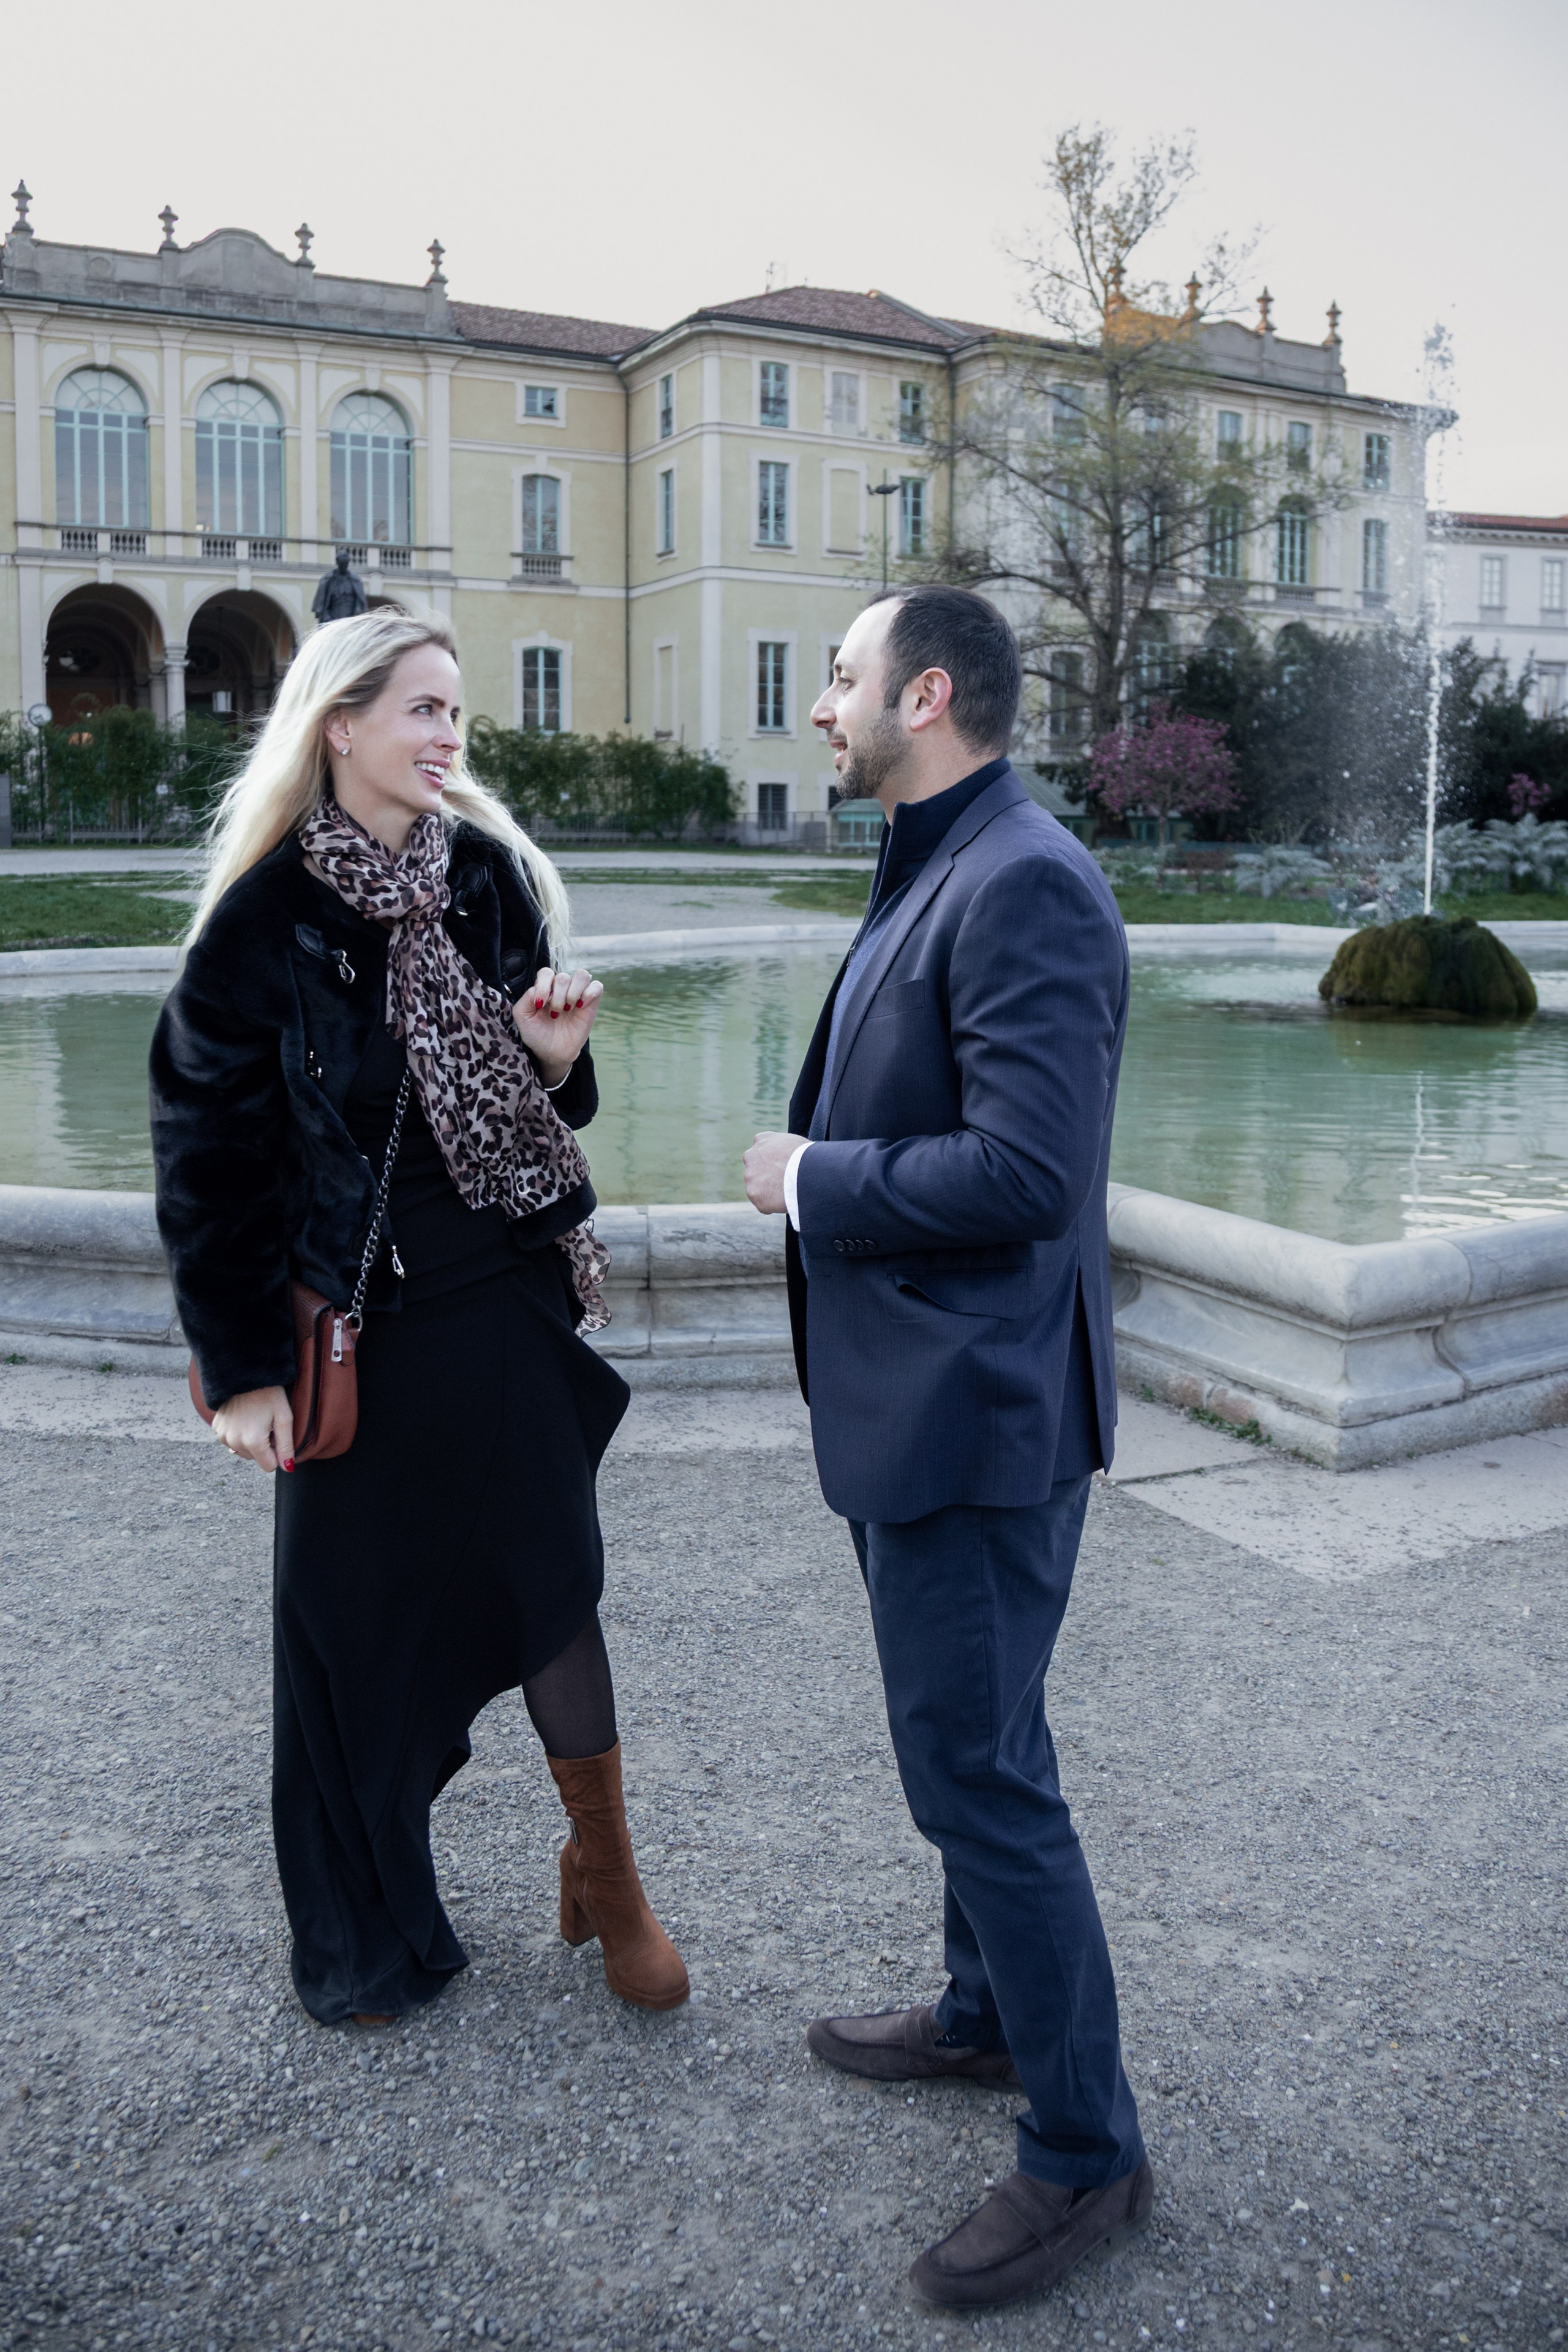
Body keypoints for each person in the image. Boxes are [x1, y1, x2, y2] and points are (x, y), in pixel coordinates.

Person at [151, 610, 687, 2027]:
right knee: (344, 1638)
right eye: (423, 711)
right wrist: (244, 1372)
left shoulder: (490, 882)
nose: (451, 738)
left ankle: (611, 1878)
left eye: (459, 714)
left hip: (498, 1299)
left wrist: (557, 1062)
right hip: (356, 1331)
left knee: (552, 1583)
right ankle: (366, 1931)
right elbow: (205, 1162)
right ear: (340, 724)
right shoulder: (264, 922)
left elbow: (538, 1107)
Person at [742, 585, 1150, 2309]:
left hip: (977, 1423)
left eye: (838, 678)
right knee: (980, 1746)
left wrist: (810, 1179)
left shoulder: (1028, 880)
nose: (820, 707)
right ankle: (987, 2021)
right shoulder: (939, 859)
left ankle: (1085, 2154)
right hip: (929, 1407)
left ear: (925, 692)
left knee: (977, 1776)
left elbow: (1028, 1178)